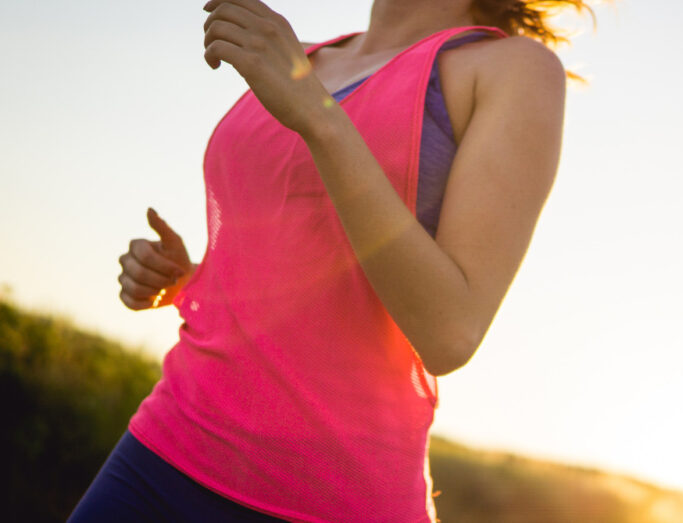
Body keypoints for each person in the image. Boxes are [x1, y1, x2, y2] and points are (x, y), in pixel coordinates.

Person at [70, 0, 594, 521]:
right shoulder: (300, 56)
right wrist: (190, 279)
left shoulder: (512, 69)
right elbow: (303, 248)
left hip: (332, 503)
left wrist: (317, 114)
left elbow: (451, 333)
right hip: (162, 451)